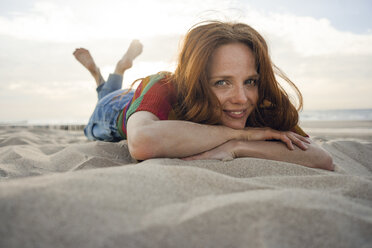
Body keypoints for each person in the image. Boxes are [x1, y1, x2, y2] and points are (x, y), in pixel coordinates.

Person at [73, 21, 334, 171]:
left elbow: (320, 158)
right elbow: (142, 142)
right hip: (115, 111)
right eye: (221, 82)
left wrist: (236, 147)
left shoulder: (261, 98)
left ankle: (115, 71)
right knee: (105, 98)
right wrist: (242, 133)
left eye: (250, 81)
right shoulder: (164, 84)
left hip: (135, 101)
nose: (242, 98)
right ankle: (105, 73)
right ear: (195, 79)